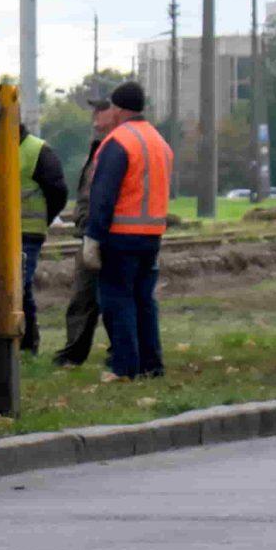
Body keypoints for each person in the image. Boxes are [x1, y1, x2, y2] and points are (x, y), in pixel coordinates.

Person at [82, 80, 173, 381]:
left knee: (117, 300)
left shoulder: (118, 141)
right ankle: (152, 365)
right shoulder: (159, 142)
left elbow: (103, 194)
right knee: (144, 300)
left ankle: (124, 367)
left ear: (119, 109)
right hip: (152, 235)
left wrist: (94, 235)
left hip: (120, 235)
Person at [53, 93, 123, 366]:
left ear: (115, 113)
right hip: (90, 231)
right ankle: (73, 353)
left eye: (100, 112)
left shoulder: (117, 146)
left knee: (114, 298)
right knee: (83, 297)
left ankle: (120, 352)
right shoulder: (99, 147)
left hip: (109, 233)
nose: (94, 119)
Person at [17, 127, 66, 354]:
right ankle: (26, 342)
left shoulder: (38, 151)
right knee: (18, 288)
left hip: (27, 232)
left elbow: (57, 191)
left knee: (20, 284)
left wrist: (42, 220)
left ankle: (27, 343)